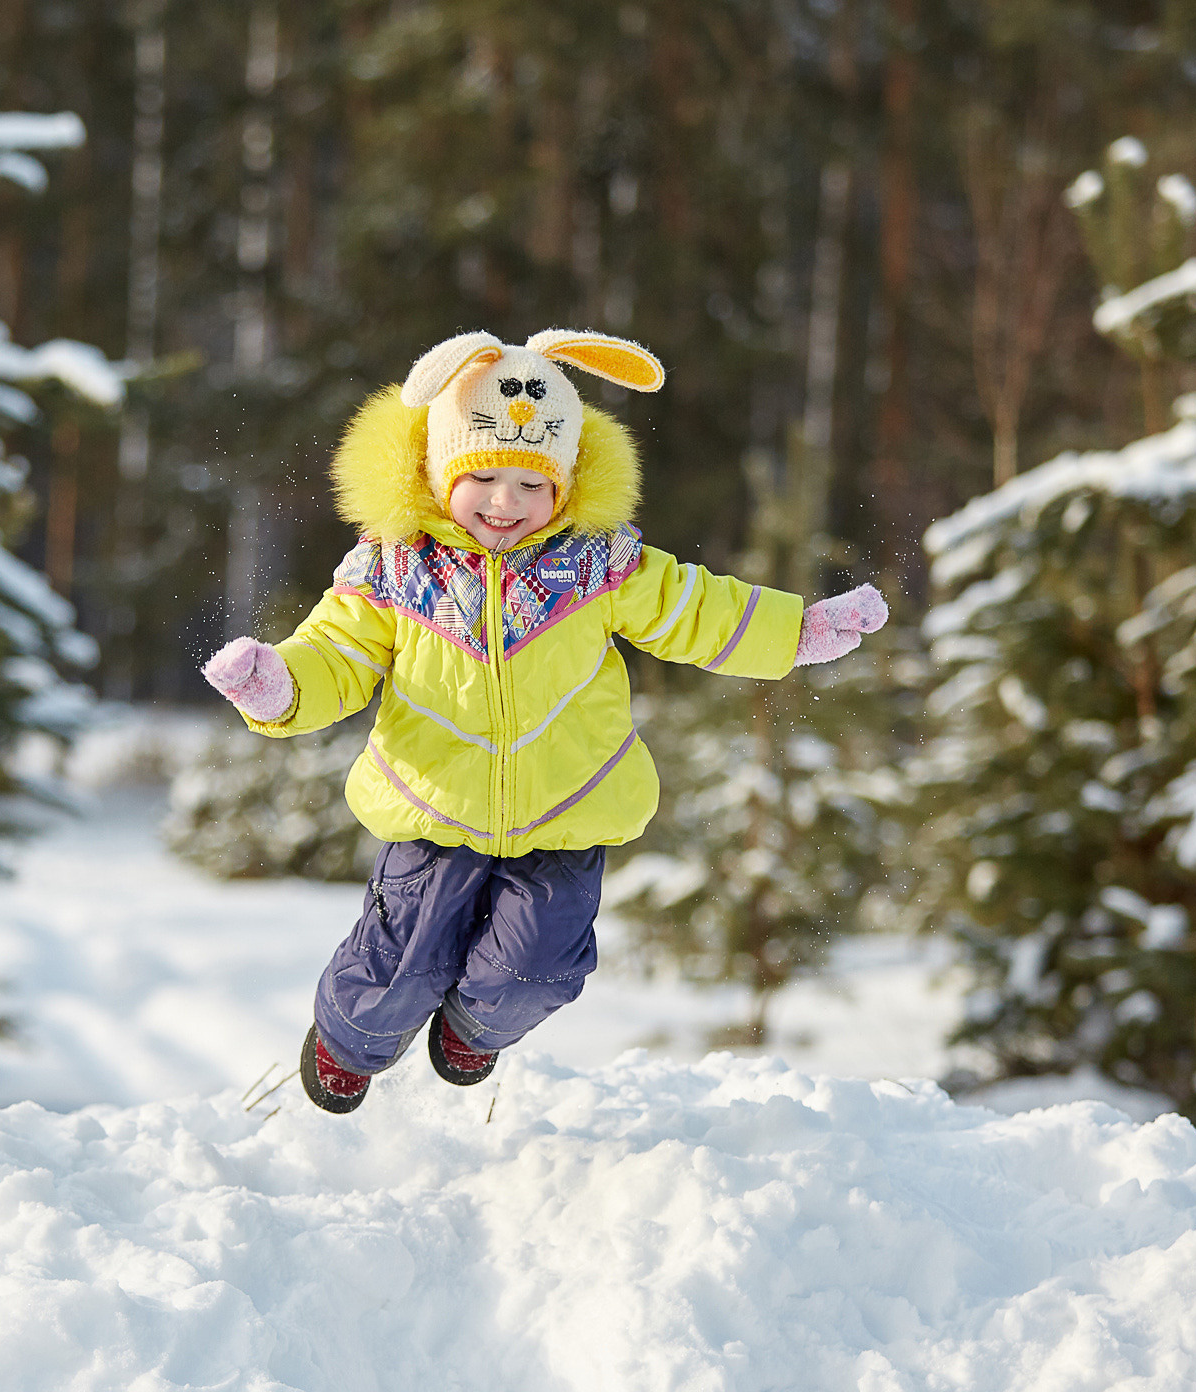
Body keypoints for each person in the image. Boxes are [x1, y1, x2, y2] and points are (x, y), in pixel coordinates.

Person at [202, 328, 890, 1113]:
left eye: (532, 484)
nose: (506, 502)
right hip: (435, 809)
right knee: (399, 966)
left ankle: (475, 1028)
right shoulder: (396, 567)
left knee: (538, 966)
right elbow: (336, 652)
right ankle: (350, 1040)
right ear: (438, 469)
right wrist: (278, 685)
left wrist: (795, 631)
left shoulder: (598, 565)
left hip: (566, 811)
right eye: (483, 476)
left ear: (563, 484)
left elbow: (694, 608)